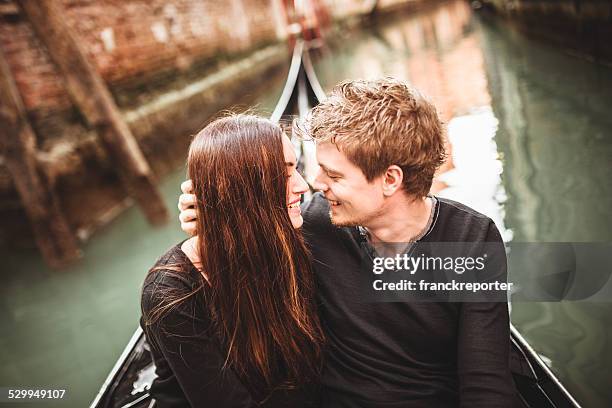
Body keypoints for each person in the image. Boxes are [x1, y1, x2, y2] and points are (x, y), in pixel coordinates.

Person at [179, 78, 518, 407]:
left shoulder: (472, 239)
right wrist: (208, 215)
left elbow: (485, 383)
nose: (314, 182)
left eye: (334, 174)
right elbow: (241, 227)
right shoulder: (314, 220)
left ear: (390, 179)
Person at [141, 115, 325, 407]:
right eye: (283, 175)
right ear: (243, 189)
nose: (303, 187)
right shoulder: (172, 292)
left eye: (297, 169)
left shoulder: (296, 235)